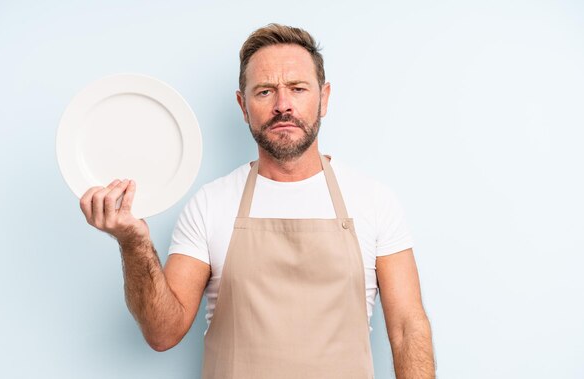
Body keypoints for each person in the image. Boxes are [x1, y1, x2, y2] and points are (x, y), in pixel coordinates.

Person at [80, 23, 435, 379]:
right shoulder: (210, 204)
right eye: (265, 92)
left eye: (297, 89)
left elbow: (407, 328)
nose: (283, 106)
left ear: (324, 98)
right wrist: (133, 241)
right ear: (243, 105)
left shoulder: (372, 200)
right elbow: (162, 332)